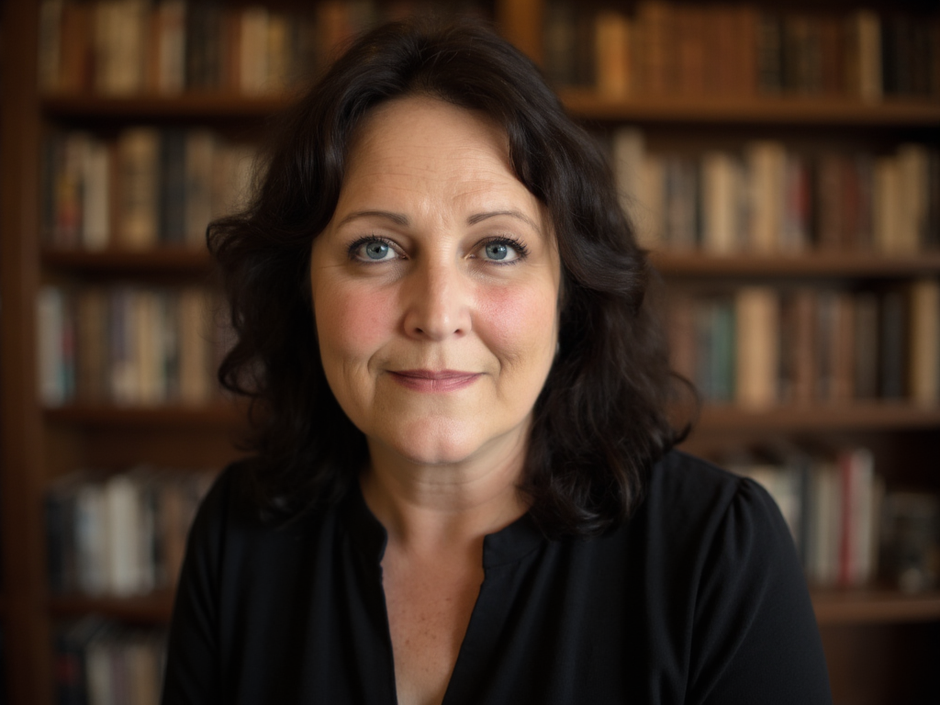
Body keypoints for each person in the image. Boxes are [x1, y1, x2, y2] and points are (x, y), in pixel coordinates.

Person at [161, 18, 832, 705]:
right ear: (302, 286)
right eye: (377, 248)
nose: (438, 312)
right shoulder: (238, 532)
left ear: (568, 290)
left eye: (498, 248)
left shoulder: (718, 551)